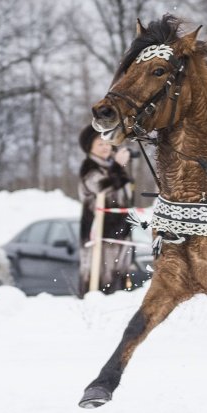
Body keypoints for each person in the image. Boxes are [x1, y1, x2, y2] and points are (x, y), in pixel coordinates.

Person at [78, 125, 136, 295]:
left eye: (107, 144)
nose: (105, 148)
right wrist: (117, 166)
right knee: (101, 275)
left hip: (121, 230)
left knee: (120, 275)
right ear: (90, 147)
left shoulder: (112, 166)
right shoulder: (89, 167)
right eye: (99, 144)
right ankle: (94, 308)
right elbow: (102, 188)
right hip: (100, 233)